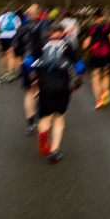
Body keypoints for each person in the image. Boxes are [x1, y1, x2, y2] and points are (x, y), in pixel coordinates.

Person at [30, 26, 83, 164]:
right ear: (62, 34)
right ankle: (54, 151)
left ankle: (43, 133)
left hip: (45, 85)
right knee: (59, 117)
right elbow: (80, 65)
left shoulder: (40, 44)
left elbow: (27, 63)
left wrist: (34, 79)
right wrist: (78, 82)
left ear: (48, 33)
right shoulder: (68, 46)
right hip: (62, 85)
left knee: (46, 117)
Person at [15, 4, 49, 134]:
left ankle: (30, 124)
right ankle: (41, 117)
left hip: (27, 61)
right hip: (42, 61)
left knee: (28, 92)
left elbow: (16, 46)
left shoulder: (22, 28)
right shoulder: (44, 26)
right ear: (39, 13)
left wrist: (21, 56)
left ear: (28, 14)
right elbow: (47, 43)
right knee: (40, 90)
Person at [83, 10, 110, 109]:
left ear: (94, 18)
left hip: (95, 54)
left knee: (95, 76)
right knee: (106, 74)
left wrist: (87, 44)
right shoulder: (107, 27)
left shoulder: (91, 29)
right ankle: (105, 92)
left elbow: (85, 45)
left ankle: (98, 100)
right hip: (106, 53)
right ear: (102, 17)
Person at [0, 7, 20, 79]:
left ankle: (3, 74)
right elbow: (18, 27)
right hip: (12, 37)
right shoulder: (15, 17)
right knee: (11, 55)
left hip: (3, 37)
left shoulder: (2, 16)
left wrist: (0, 32)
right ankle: (10, 73)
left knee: (3, 55)